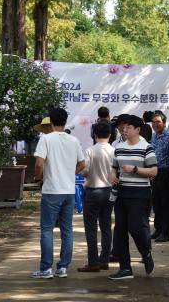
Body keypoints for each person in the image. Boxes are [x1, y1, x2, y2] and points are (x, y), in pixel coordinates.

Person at [31, 107, 86, 279]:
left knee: (47, 230)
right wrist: (70, 172)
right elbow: (82, 165)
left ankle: (46, 268)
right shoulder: (74, 140)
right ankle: (63, 268)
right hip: (68, 191)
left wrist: (37, 178)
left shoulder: (45, 139)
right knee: (66, 230)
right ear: (65, 121)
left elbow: (39, 164)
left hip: (51, 190)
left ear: (51, 121)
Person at [108, 115, 157, 280]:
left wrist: (135, 169)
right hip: (122, 192)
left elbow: (153, 171)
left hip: (140, 193)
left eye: (128, 127)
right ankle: (125, 268)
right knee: (119, 231)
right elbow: (114, 167)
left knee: (136, 227)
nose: (124, 130)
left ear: (137, 129)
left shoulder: (147, 147)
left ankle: (146, 252)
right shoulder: (119, 147)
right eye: (123, 127)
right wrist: (113, 176)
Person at [77, 122, 115, 272]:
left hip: (93, 191)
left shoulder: (90, 151)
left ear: (94, 135)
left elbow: (84, 171)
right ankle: (104, 260)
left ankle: (93, 262)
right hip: (109, 191)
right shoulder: (114, 151)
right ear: (110, 135)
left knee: (91, 228)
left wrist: (86, 173)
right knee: (106, 227)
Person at [150, 111, 169, 243]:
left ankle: (165, 233)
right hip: (155, 173)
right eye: (154, 122)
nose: (156, 124)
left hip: (166, 172)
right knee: (156, 202)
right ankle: (158, 229)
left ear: (164, 123)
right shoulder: (153, 137)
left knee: (165, 204)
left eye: (158, 122)